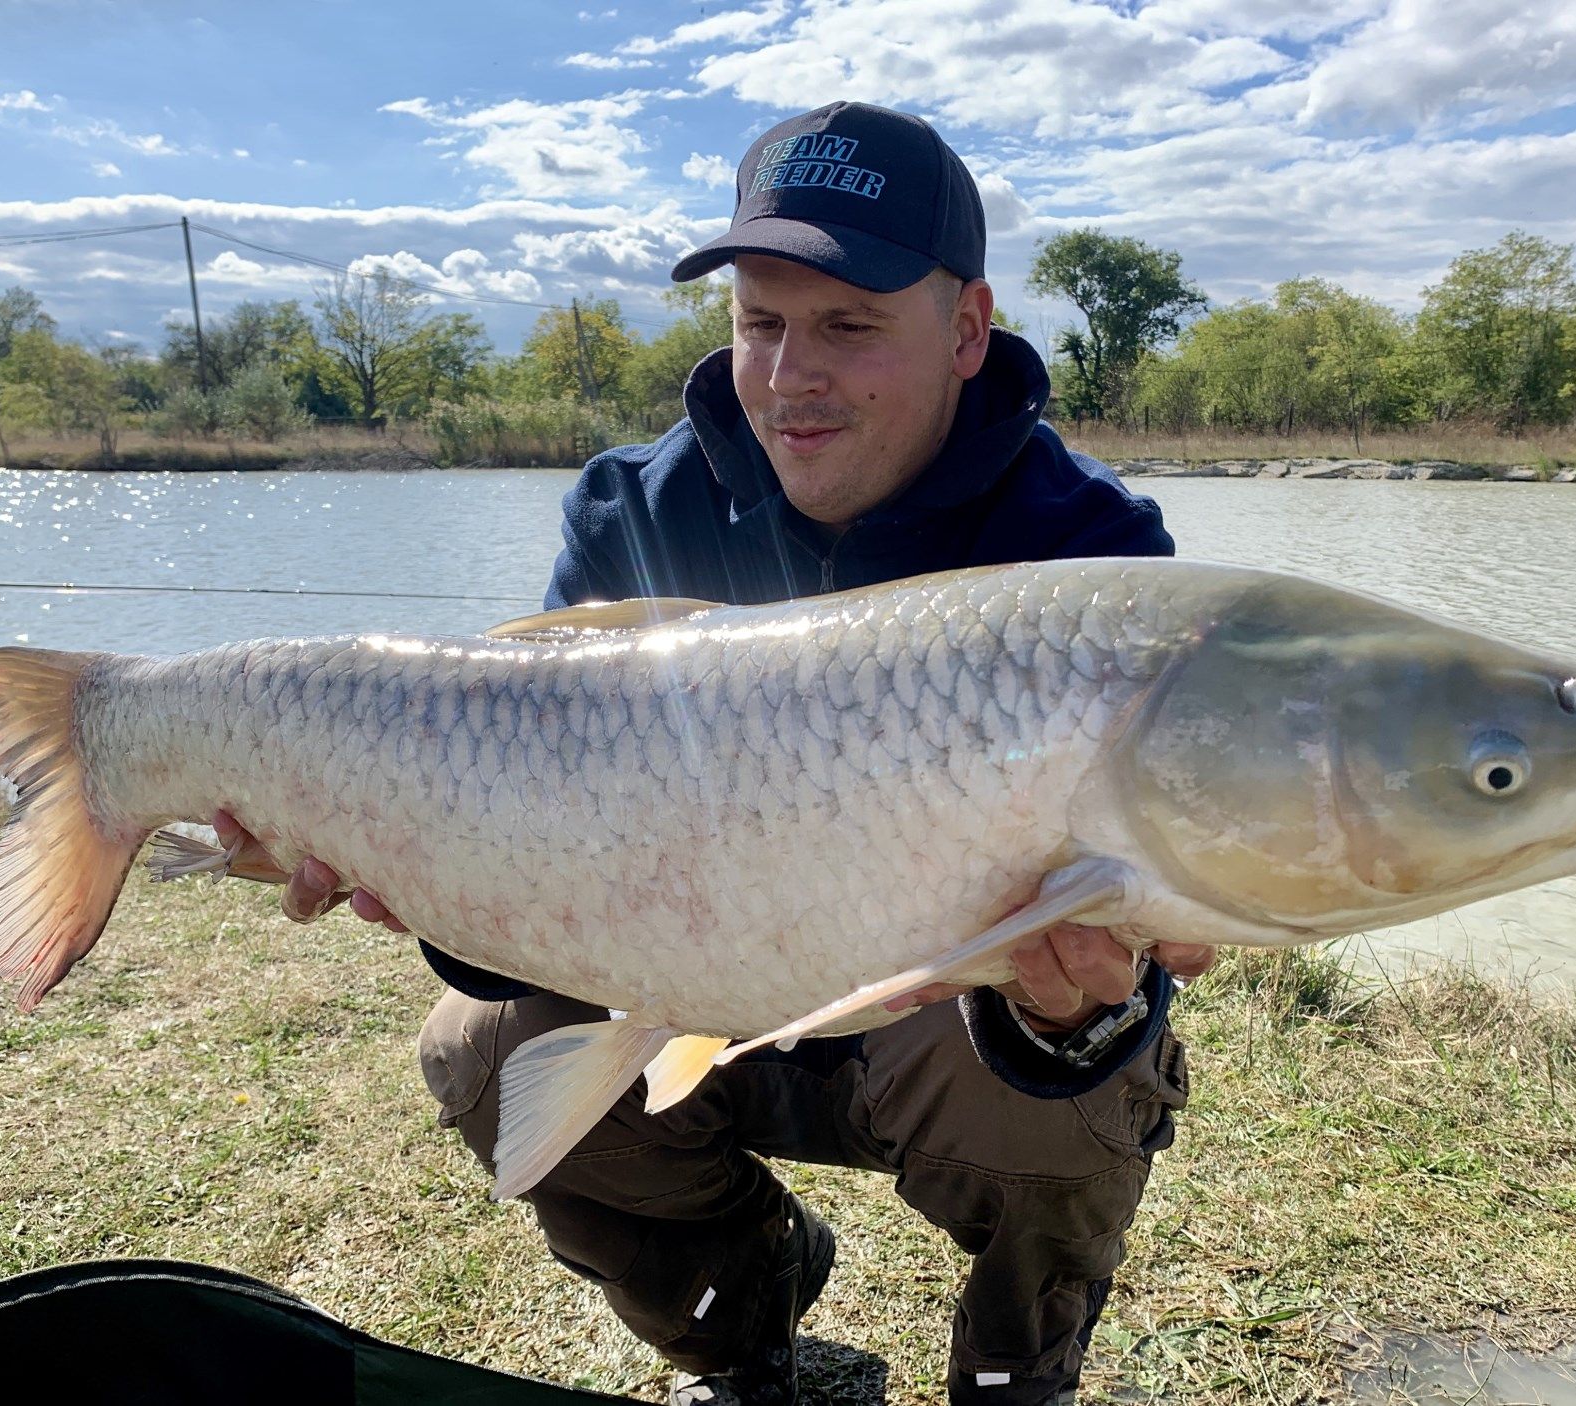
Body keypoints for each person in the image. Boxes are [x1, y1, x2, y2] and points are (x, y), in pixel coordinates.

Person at [216, 101, 1214, 1406]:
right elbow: (527, 865)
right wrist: (424, 870)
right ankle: (745, 1321)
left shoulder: (1088, 557)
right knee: (482, 1041)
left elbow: (1134, 916)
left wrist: (1075, 1010)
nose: (792, 374)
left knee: (1078, 1085)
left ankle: (1017, 1367)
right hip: (673, 982)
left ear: (967, 328)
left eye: (849, 325)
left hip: (943, 1029)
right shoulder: (635, 510)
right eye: (761, 322)